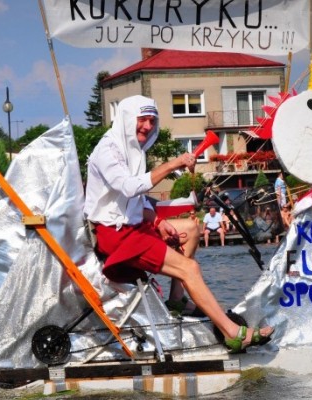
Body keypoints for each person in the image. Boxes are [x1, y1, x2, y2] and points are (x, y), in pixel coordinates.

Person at [83, 95, 272, 352]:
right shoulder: (107, 150)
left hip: (132, 228)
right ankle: (233, 332)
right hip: (116, 237)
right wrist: (173, 164)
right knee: (189, 268)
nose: (148, 126)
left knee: (191, 228)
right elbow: (128, 188)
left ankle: (176, 300)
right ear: (127, 120)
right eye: (142, 120)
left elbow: (134, 203)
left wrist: (159, 221)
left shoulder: (132, 150)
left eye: (152, 121)